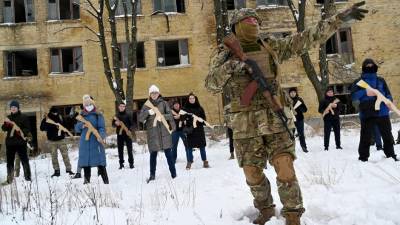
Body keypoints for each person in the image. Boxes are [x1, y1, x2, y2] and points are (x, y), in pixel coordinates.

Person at [205, 3, 367, 224]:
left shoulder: (271, 46)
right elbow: (211, 84)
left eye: (256, 22)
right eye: (248, 22)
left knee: (285, 167)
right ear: (235, 27)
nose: (254, 26)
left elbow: (305, 39)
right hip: (245, 125)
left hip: (275, 120)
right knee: (252, 173)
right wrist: (232, 67)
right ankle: (266, 209)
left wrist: (337, 21)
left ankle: (292, 214)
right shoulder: (224, 54)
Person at [351, 58, 398, 162]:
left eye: (371, 65)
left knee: (387, 136)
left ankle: (391, 155)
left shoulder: (381, 81)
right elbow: (353, 97)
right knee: (365, 137)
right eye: (367, 66)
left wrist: (388, 101)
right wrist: (365, 92)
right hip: (366, 113)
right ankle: (363, 158)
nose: (370, 67)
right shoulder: (358, 82)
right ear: (363, 68)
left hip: (382, 112)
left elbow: (388, 94)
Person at [138, 85, 177, 183]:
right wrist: (148, 113)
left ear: (158, 93)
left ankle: (173, 173)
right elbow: (140, 118)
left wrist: (162, 117)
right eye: (152, 93)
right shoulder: (146, 105)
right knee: (153, 155)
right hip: (153, 134)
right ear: (150, 94)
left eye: (155, 93)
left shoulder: (164, 103)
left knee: (168, 154)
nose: (154, 94)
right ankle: (152, 175)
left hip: (164, 133)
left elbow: (170, 116)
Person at [75, 95, 109, 184]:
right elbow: (76, 129)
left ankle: (106, 182)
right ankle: (87, 183)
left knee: (100, 162)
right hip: (85, 142)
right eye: (85, 102)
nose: (87, 103)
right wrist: (82, 125)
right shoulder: (81, 114)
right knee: (86, 163)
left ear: (91, 102)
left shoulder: (98, 114)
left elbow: (102, 127)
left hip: (96, 141)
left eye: (88, 101)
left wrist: (100, 136)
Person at [1, 100, 32, 185]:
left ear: (18, 108)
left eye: (15, 107)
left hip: (20, 143)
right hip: (10, 144)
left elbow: (27, 129)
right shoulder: (8, 118)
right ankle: (9, 179)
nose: (13, 109)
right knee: (10, 162)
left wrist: (20, 131)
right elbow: (3, 128)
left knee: (24, 160)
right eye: (12, 107)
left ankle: (28, 178)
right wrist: (6, 125)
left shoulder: (24, 117)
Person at [40, 106, 75, 177]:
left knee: (65, 155)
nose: (55, 114)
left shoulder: (60, 117)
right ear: (51, 112)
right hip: (52, 141)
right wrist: (51, 126)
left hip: (61, 139)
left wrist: (63, 128)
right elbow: (42, 128)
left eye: (56, 112)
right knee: (54, 157)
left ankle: (68, 170)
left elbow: (66, 126)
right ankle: (56, 171)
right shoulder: (47, 119)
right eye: (54, 112)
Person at [182, 93, 210, 169]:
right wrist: (188, 121)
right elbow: (183, 119)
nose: (191, 99)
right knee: (189, 147)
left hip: (199, 130)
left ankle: (205, 161)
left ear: (195, 99)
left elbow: (204, 119)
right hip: (190, 130)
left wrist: (198, 120)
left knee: (202, 146)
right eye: (190, 98)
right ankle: (189, 162)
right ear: (188, 99)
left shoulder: (200, 108)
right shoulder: (185, 109)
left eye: (193, 98)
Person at [112, 101, 135, 169]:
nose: (122, 108)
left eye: (123, 106)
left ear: (125, 107)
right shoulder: (116, 116)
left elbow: (132, 124)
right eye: (120, 106)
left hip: (127, 134)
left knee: (129, 149)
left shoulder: (128, 115)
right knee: (120, 149)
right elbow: (112, 125)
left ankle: (131, 163)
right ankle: (121, 163)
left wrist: (129, 130)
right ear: (118, 107)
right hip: (120, 135)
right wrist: (115, 123)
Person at [289, 88, 308, 153]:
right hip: (291, 120)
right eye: (291, 92)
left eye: (294, 92)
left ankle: (304, 147)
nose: (292, 93)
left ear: (296, 93)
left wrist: (299, 108)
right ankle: (291, 149)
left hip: (299, 119)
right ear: (289, 94)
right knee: (291, 135)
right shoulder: (287, 100)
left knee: (301, 134)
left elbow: (305, 109)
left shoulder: (299, 99)